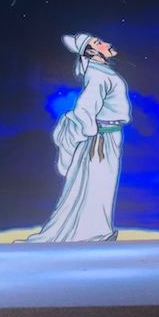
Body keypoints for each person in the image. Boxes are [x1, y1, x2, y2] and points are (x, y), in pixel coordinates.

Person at [25, 33, 131, 243]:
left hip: (107, 136)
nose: (106, 44)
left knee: (102, 184)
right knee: (98, 184)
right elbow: (85, 108)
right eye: (98, 43)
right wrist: (91, 131)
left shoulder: (102, 72)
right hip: (100, 141)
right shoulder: (97, 75)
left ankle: (97, 230)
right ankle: (94, 232)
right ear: (91, 52)